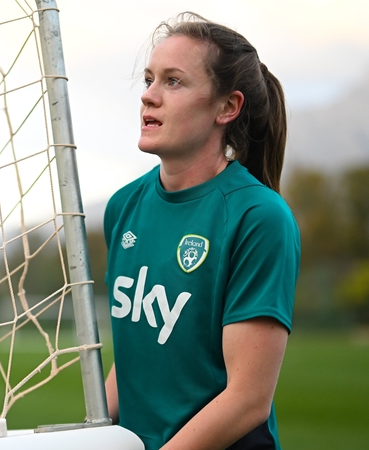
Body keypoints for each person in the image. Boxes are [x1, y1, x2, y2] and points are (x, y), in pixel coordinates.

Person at [102, 12, 300, 450]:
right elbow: (135, 352)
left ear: (227, 107)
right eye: (149, 79)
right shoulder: (123, 207)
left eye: (173, 81)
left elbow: (248, 400)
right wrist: (92, 429)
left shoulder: (259, 217)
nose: (149, 97)